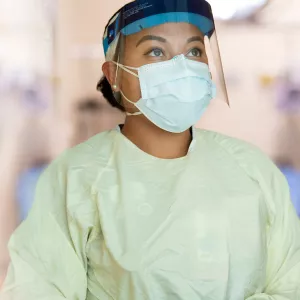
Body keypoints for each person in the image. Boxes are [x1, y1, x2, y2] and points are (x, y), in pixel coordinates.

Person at [1, 0, 300, 299]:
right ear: (114, 74)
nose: (182, 66)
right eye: (156, 51)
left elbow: (291, 284)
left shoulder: (251, 170)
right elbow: (37, 290)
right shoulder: (77, 179)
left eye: (194, 51)